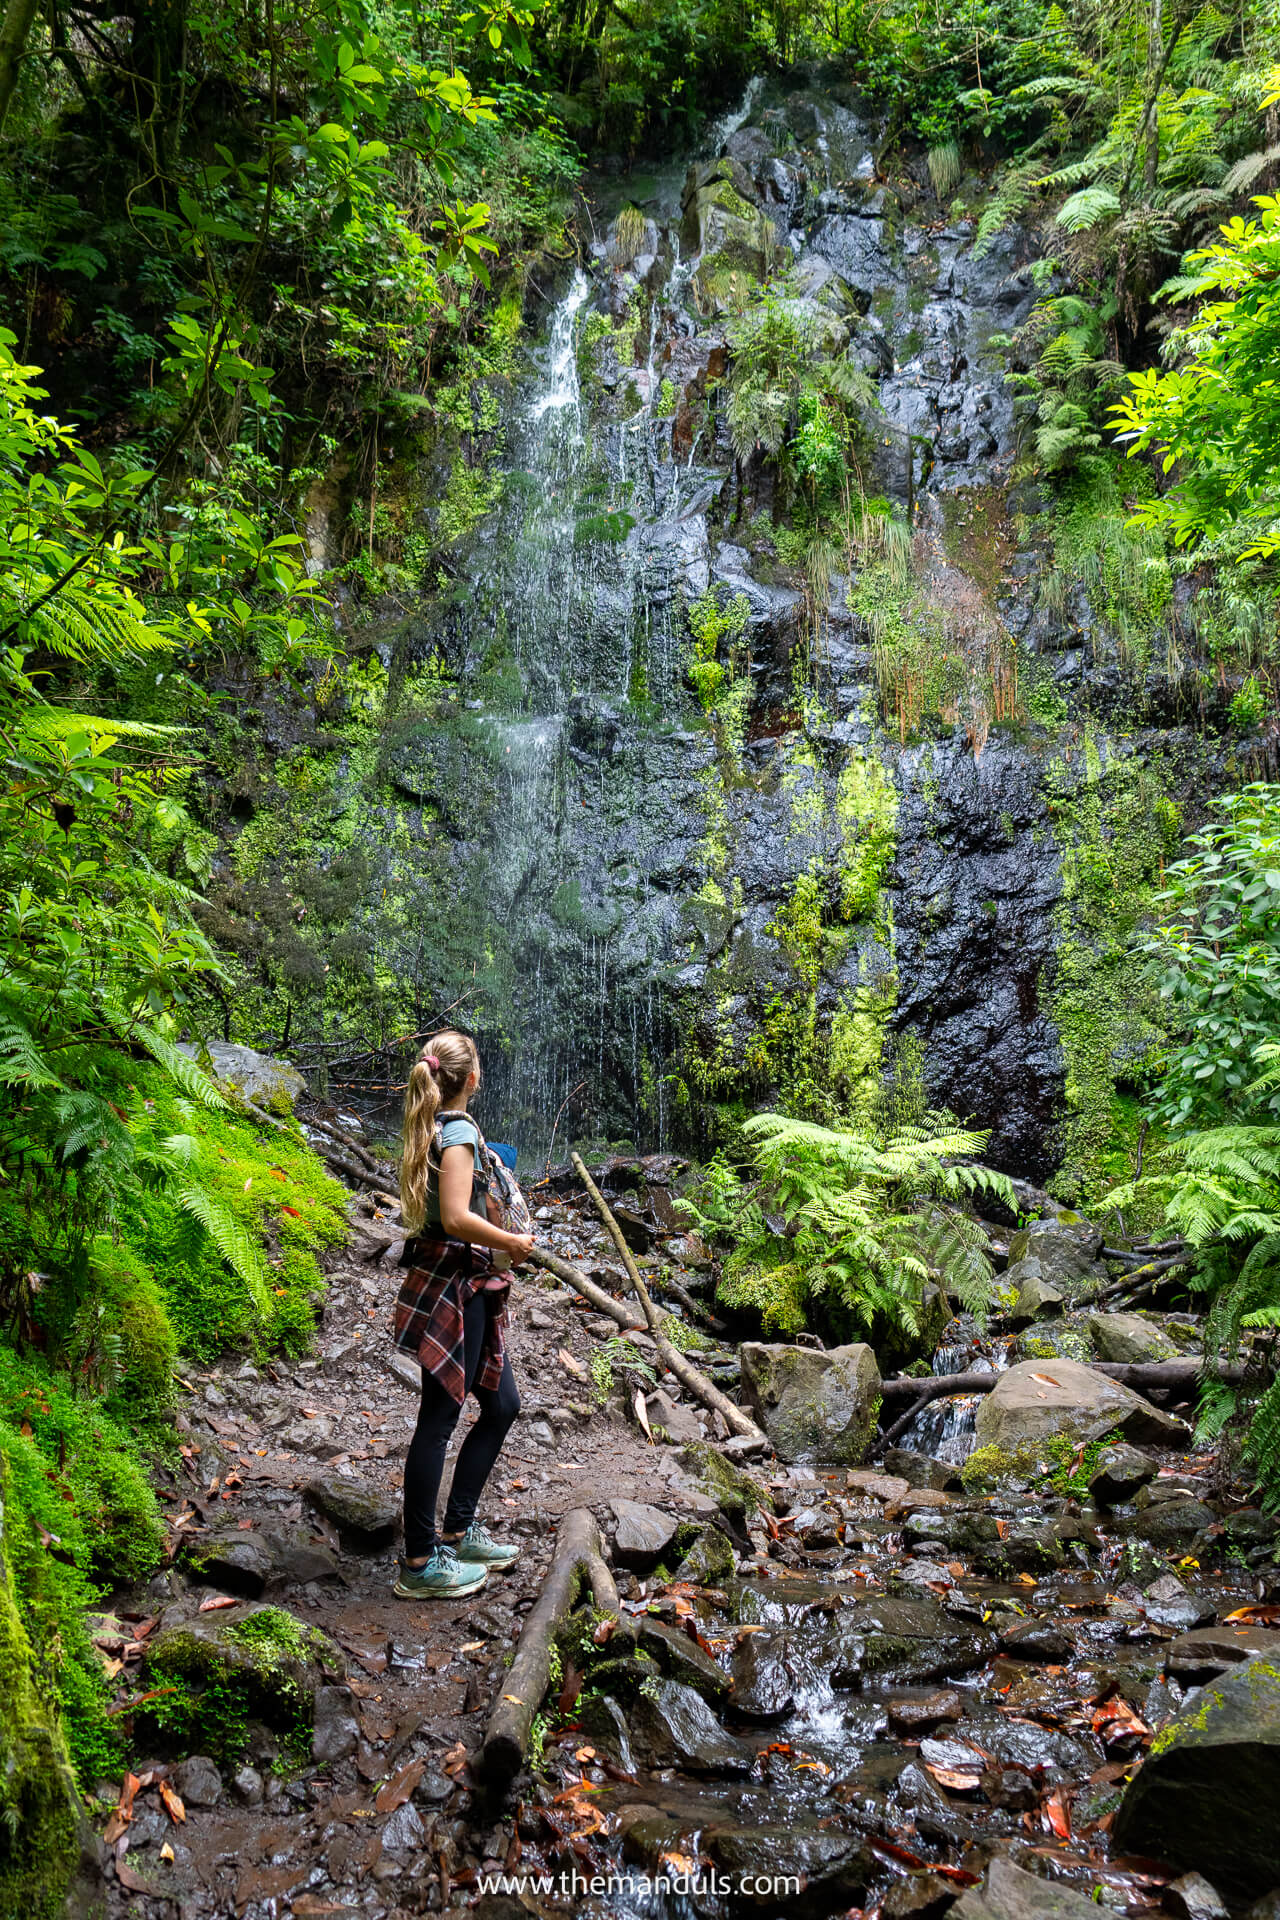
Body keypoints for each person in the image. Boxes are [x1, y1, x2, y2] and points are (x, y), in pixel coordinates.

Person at [393, 1030, 533, 1599]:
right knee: (440, 1417)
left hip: (468, 1279)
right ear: (471, 1080)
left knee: (502, 1404)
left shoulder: (443, 1129)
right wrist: (512, 1241)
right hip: (456, 1282)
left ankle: (458, 1529)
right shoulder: (456, 1135)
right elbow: (454, 1216)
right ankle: (421, 1562)